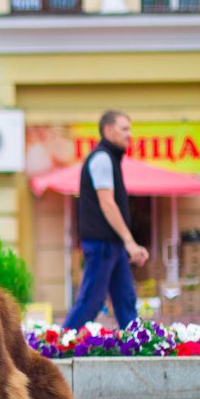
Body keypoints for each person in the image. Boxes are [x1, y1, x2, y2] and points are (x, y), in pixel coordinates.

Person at [62, 110, 149, 331]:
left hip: (111, 244)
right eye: (124, 129)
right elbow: (107, 203)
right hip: (102, 244)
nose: (129, 134)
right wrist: (130, 242)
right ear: (108, 130)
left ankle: (136, 346)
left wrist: (125, 243)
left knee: (125, 300)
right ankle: (58, 347)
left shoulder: (109, 158)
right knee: (91, 301)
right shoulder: (102, 158)